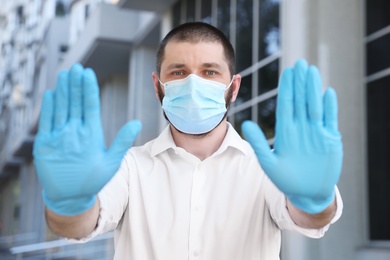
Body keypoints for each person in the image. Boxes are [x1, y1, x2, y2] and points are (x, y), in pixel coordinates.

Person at [33, 22, 343, 260]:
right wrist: (68, 206)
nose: (193, 84)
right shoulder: (130, 168)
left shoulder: (269, 169)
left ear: (233, 88)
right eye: (178, 72)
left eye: (210, 72)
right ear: (158, 86)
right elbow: (77, 226)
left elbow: (310, 219)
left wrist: (314, 200)